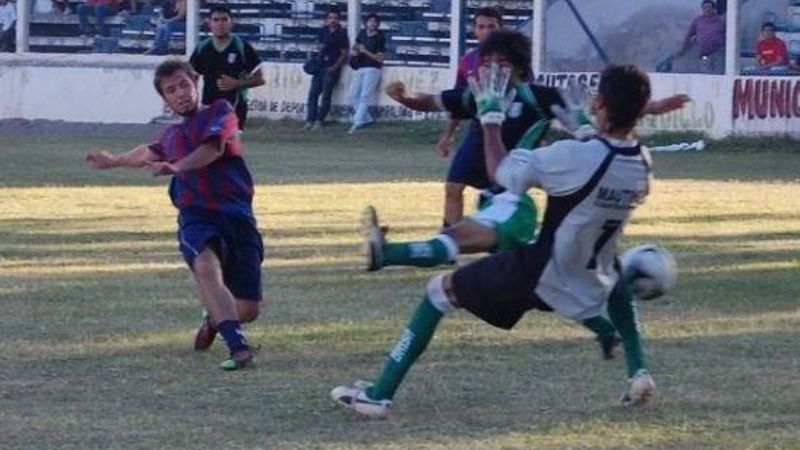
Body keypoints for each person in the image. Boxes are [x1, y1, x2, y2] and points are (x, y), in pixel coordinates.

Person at [332, 63, 660, 419]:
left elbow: (503, 175)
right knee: (616, 282)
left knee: (439, 292)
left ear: (598, 103)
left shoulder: (574, 156)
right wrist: (584, 131)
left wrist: (490, 120)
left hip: (541, 271)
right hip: (590, 275)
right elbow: (603, 169)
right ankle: (638, 369)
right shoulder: (642, 162)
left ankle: (378, 396)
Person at [86, 59, 264, 371]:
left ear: (195, 84)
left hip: (237, 216)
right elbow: (146, 152)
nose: (180, 93)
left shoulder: (221, 112)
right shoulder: (171, 136)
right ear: (165, 100)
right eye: (171, 90)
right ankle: (238, 346)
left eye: (184, 84)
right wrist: (113, 161)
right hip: (196, 214)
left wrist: (176, 167)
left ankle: (215, 318)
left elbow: (213, 149)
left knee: (248, 308)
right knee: (205, 265)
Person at [437, 7, 503, 227]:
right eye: (481, 27)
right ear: (474, 31)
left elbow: (530, 97)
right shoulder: (468, 61)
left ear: (500, 29)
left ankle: (503, 246)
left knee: (501, 193)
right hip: (478, 131)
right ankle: (448, 245)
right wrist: (448, 136)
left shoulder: (514, 59)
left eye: (491, 26)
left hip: (508, 134)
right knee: (453, 187)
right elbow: (458, 103)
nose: (486, 31)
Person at [190, 5, 264, 130]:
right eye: (216, 20)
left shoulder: (242, 47)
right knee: (210, 146)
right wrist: (194, 104)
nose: (220, 24)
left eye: (224, 20)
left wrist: (236, 83)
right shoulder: (202, 48)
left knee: (228, 146)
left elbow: (260, 79)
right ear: (209, 23)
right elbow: (192, 79)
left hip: (235, 107)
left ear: (231, 23)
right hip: (208, 107)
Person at [303, 8, 349, 131]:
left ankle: (319, 120)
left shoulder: (342, 33)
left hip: (332, 67)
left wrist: (334, 67)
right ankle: (309, 120)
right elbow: (317, 46)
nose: (332, 20)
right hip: (320, 66)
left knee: (326, 95)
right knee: (313, 94)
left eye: (335, 18)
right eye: (330, 18)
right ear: (327, 19)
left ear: (339, 20)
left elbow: (344, 53)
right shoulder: (323, 31)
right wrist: (319, 47)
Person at [346, 13, 386, 134]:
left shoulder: (380, 37)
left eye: (374, 21)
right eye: (370, 21)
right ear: (366, 23)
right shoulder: (362, 34)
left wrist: (365, 51)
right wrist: (355, 52)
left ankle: (357, 122)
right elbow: (355, 47)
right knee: (352, 94)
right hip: (360, 66)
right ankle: (367, 119)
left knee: (365, 95)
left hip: (373, 68)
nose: (372, 23)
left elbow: (380, 58)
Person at [675, 0, 726, 74]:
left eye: (709, 7)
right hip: (704, 55)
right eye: (705, 8)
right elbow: (688, 36)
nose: (707, 10)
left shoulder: (720, 22)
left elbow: (728, 36)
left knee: (719, 75)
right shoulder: (697, 21)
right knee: (705, 75)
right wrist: (682, 49)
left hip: (718, 54)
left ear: (713, 9)